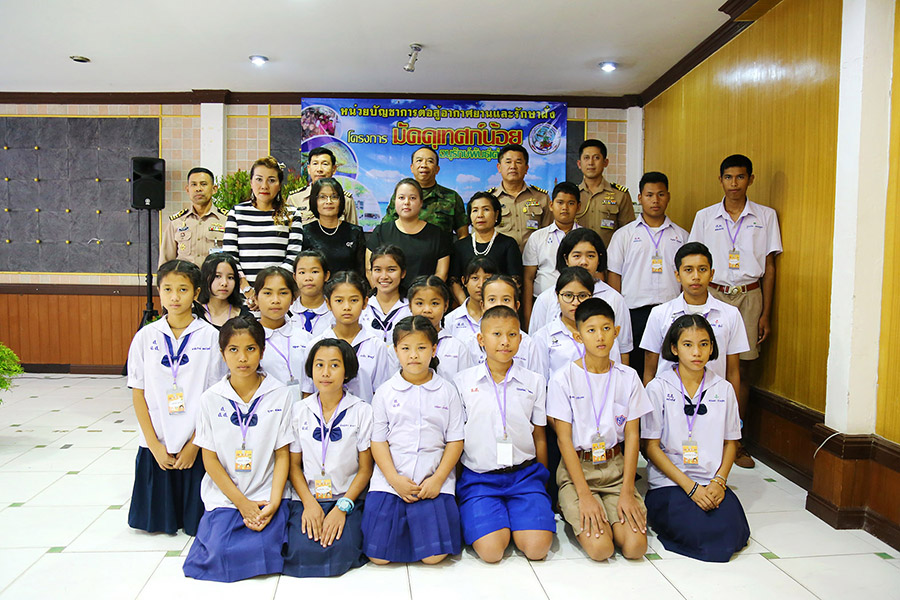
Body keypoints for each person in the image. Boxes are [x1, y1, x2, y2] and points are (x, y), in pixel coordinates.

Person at [688, 154, 783, 469]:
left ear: (750, 179)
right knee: (703, 365)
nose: (734, 184)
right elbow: (693, 263)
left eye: (740, 177)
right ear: (720, 180)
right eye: (728, 177)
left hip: (749, 297)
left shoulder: (766, 216)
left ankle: (736, 441)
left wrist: (765, 313)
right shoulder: (705, 217)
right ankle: (700, 437)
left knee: (741, 371)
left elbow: (769, 268)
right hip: (712, 295)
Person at [182, 316, 294, 582]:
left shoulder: (280, 394)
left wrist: (275, 500)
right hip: (226, 495)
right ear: (222, 354)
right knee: (218, 554)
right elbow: (209, 460)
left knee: (267, 550)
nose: (242, 358)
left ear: (262, 351)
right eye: (233, 349)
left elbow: (282, 455)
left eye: (250, 349)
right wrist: (242, 504)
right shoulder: (210, 398)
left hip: (267, 491)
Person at [547, 298, 651, 561]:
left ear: (616, 332)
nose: (600, 336)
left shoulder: (628, 377)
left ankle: (613, 511)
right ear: (578, 336)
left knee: (635, 548)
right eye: (591, 330)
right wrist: (585, 496)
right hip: (577, 471)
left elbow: (632, 436)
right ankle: (574, 503)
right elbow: (564, 441)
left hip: (615, 467)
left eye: (606, 328)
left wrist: (627, 491)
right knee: (601, 549)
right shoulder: (563, 379)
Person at [127, 260, 224, 537]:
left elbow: (215, 397)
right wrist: (154, 446)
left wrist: (195, 443)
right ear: (159, 292)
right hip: (157, 438)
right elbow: (138, 392)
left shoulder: (211, 337)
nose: (174, 297)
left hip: (196, 440)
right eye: (167, 289)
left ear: (196, 293)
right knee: (157, 524)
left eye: (182, 289)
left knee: (197, 524)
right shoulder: (146, 337)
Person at [642, 314, 750, 562]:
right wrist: (690, 488)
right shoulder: (658, 387)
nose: (697, 352)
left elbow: (730, 442)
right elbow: (651, 447)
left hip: (710, 481)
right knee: (703, 534)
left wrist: (719, 482)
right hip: (671, 483)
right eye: (687, 345)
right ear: (674, 348)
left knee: (733, 532)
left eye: (704, 344)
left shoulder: (723, 388)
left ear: (712, 347)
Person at [453, 305, 555, 563]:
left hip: (524, 475)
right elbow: (455, 439)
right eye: (496, 334)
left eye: (512, 334)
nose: (504, 342)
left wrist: (541, 480)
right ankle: (497, 517)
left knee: (537, 549)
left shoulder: (534, 381)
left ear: (520, 338)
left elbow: (540, 435)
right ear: (481, 339)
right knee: (491, 552)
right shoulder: (463, 382)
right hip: (480, 478)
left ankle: (524, 512)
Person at [362, 316, 464, 565]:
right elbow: (378, 441)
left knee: (433, 557)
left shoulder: (448, 391)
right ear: (395, 350)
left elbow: (455, 440)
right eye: (406, 348)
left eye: (421, 348)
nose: (413, 355)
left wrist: (438, 478)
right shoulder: (385, 392)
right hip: (391, 477)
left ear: (434, 349)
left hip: (433, 477)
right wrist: (394, 479)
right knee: (378, 557)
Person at [283, 339, 373, 578]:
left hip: (347, 498)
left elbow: (365, 469)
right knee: (300, 551)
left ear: (347, 371)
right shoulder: (299, 410)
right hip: (308, 497)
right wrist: (309, 504)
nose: (325, 373)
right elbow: (293, 466)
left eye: (334, 365)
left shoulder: (362, 410)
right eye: (319, 365)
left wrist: (342, 508)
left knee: (342, 549)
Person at [639, 242, 748, 410]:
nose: (696, 276)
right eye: (688, 270)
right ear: (677, 275)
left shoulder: (730, 314)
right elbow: (650, 369)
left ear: (712, 274)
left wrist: (732, 414)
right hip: (668, 403)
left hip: (714, 402)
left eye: (702, 269)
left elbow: (733, 371)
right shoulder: (660, 314)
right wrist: (649, 413)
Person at [607, 172, 687, 380]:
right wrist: (618, 312)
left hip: (671, 312)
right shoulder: (624, 235)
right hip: (634, 313)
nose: (655, 200)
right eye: (649, 195)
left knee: (669, 366)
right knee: (634, 367)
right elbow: (614, 276)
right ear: (640, 197)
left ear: (668, 196)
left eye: (660, 194)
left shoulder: (681, 236)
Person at [529, 229, 633, 364]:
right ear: (566, 259)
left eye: (590, 256)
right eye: (577, 256)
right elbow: (535, 347)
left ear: (599, 258)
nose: (583, 262)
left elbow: (623, 349)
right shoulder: (546, 298)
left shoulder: (614, 299)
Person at [302, 271, 393, 403]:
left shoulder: (376, 346)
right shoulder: (315, 345)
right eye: (339, 300)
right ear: (328, 303)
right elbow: (308, 392)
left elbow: (380, 394)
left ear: (365, 302)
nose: (346, 307)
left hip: (364, 420)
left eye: (354, 300)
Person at [223, 156, 302, 307]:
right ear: (251, 182)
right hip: (242, 298)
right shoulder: (237, 212)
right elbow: (230, 256)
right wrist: (248, 290)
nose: (264, 186)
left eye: (271, 180)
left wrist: (267, 293)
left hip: (277, 298)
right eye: (259, 179)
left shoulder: (291, 214)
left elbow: (293, 256)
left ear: (279, 185)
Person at [533, 267, 624, 380]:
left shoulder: (604, 334)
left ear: (591, 296)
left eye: (582, 296)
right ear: (557, 296)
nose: (575, 302)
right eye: (568, 295)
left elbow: (615, 375)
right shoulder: (543, 337)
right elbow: (539, 382)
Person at [366, 178, 451, 289]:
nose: (406, 202)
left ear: (421, 203)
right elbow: (369, 270)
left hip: (424, 301)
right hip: (389, 299)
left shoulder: (437, 235)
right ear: (394, 201)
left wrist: (422, 300)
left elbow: (441, 274)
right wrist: (385, 296)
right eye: (401, 198)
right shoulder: (381, 232)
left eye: (412, 198)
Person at [457, 274, 545, 375]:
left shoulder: (529, 345)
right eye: (492, 300)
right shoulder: (469, 344)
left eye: (506, 300)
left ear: (516, 306)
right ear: (482, 305)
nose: (499, 305)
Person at [522, 181, 581, 325]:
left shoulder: (585, 237)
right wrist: (529, 317)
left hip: (577, 304)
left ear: (578, 207)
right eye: (560, 202)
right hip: (543, 303)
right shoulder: (537, 237)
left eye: (571, 203)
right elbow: (528, 279)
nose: (565, 208)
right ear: (551, 205)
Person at [381, 146, 468, 238]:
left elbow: (463, 235)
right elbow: (386, 229)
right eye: (419, 160)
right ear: (412, 167)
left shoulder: (452, 197)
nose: (424, 165)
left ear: (437, 169)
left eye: (430, 161)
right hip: (403, 250)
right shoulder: (400, 196)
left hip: (440, 251)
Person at [449, 192, 522, 296]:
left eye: (486, 209)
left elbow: (515, 280)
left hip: (499, 305)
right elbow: (454, 281)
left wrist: (495, 302)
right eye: (475, 210)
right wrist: (467, 305)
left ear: (496, 214)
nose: (480, 215)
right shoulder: (460, 246)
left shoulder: (508, 244)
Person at [254, 266, 311, 401]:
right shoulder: (249, 340)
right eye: (268, 293)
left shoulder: (306, 339)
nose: (275, 300)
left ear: (292, 299)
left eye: (283, 293)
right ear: (256, 298)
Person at [404, 275, 474, 381]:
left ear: (445, 306)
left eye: (434, 303)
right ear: (410, 306)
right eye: (419, 303)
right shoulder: (400, 345)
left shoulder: (457, 348)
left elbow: (466, 385)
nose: (427, 310)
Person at [159, 167, 228, 267]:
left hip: (214, 281)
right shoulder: (176, 222)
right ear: (188, 190)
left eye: (203, 184)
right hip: (185, 280)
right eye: (194, 184)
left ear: (214, 189)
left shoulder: (226, 220)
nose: (198, 189)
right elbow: (166, 261)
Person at [489, 143, 552, 250]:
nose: (513, 166)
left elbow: (549, 233)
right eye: (508, 162)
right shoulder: (490, 199)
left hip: (534, 261)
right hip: (500, 263)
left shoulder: (541, 197)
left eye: (518, 162)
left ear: (526, 168)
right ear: (499, 167)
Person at [300, 177, 366, 278]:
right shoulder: (305, 232)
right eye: (322, 197)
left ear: (341, 201)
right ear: (314, 200)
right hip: (316, 291)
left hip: (347, 290)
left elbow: (361, 271)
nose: (329, 201)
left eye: (334, 197)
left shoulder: (355, 232)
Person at [574, 139, 635, 248]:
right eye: (586, 158)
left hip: (609, 260)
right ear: (579, 164)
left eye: (596, 158)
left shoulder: (620, 195)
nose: (591, 163)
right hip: (578, 258)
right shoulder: (573, 195)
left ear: (605, 162)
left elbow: (629, 233)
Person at [288, 147, 358, 226]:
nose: (319, 169)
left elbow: (353, 232)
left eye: (325, 164)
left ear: (334, 169)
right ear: (309, 169)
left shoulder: (346, 200)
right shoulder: (295, 199)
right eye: (315, 164)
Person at [361, 245, 411, 345]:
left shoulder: (412, 308)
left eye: (391, 270)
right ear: (370, 272)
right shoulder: (362, 307)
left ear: (403, 273)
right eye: (377, 270)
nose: (384, 276)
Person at [196, 253, 252, 329]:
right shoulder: (193, 315)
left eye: (230, 277)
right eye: (217, 276)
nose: (224, 283)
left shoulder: (246, 318)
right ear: (205, 277)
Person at [446, 256, 498, 335]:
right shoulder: (451, 319)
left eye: (487, 279)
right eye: (475, 278)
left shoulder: (503, 316)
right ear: (464, 281)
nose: (481, 285)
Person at [289, 250, 334, 337]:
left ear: (326, 276)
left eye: (314, 272)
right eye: (302, 272)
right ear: (295, 277)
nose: (308, 278)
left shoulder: (335, 313)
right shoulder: (286, 313)